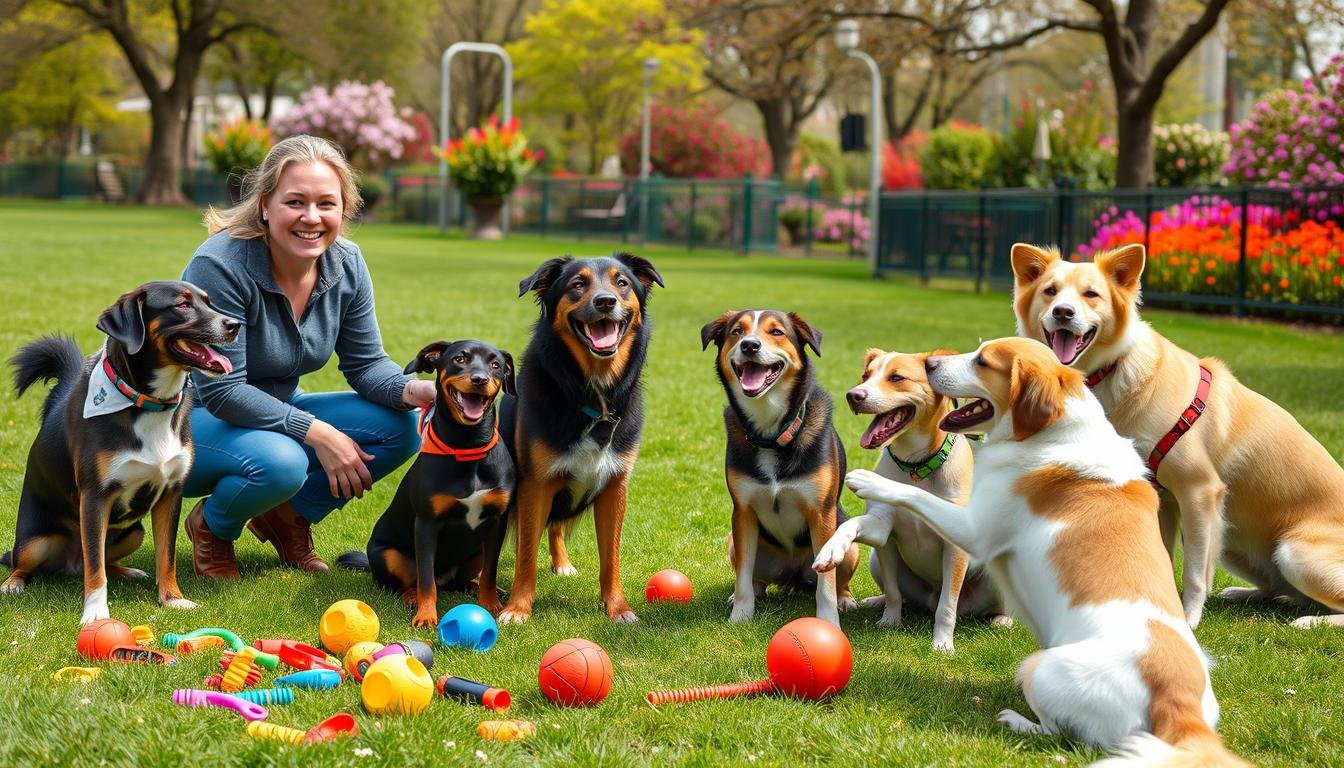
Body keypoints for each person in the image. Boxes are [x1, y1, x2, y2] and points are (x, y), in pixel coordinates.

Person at [180, 134, 434, 579]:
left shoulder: (347, 263)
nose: (311, 218)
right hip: (193, 418)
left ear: (344, 209)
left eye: (326, 204)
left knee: (403, 426)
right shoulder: (220, 265)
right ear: (265, 205)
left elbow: (366, 365)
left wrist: (417, 389)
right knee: (283, 460)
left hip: (277, 410)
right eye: (295, 202)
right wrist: (316, 432)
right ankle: (213, 526)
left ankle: (288, 517)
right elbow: (222, 390)